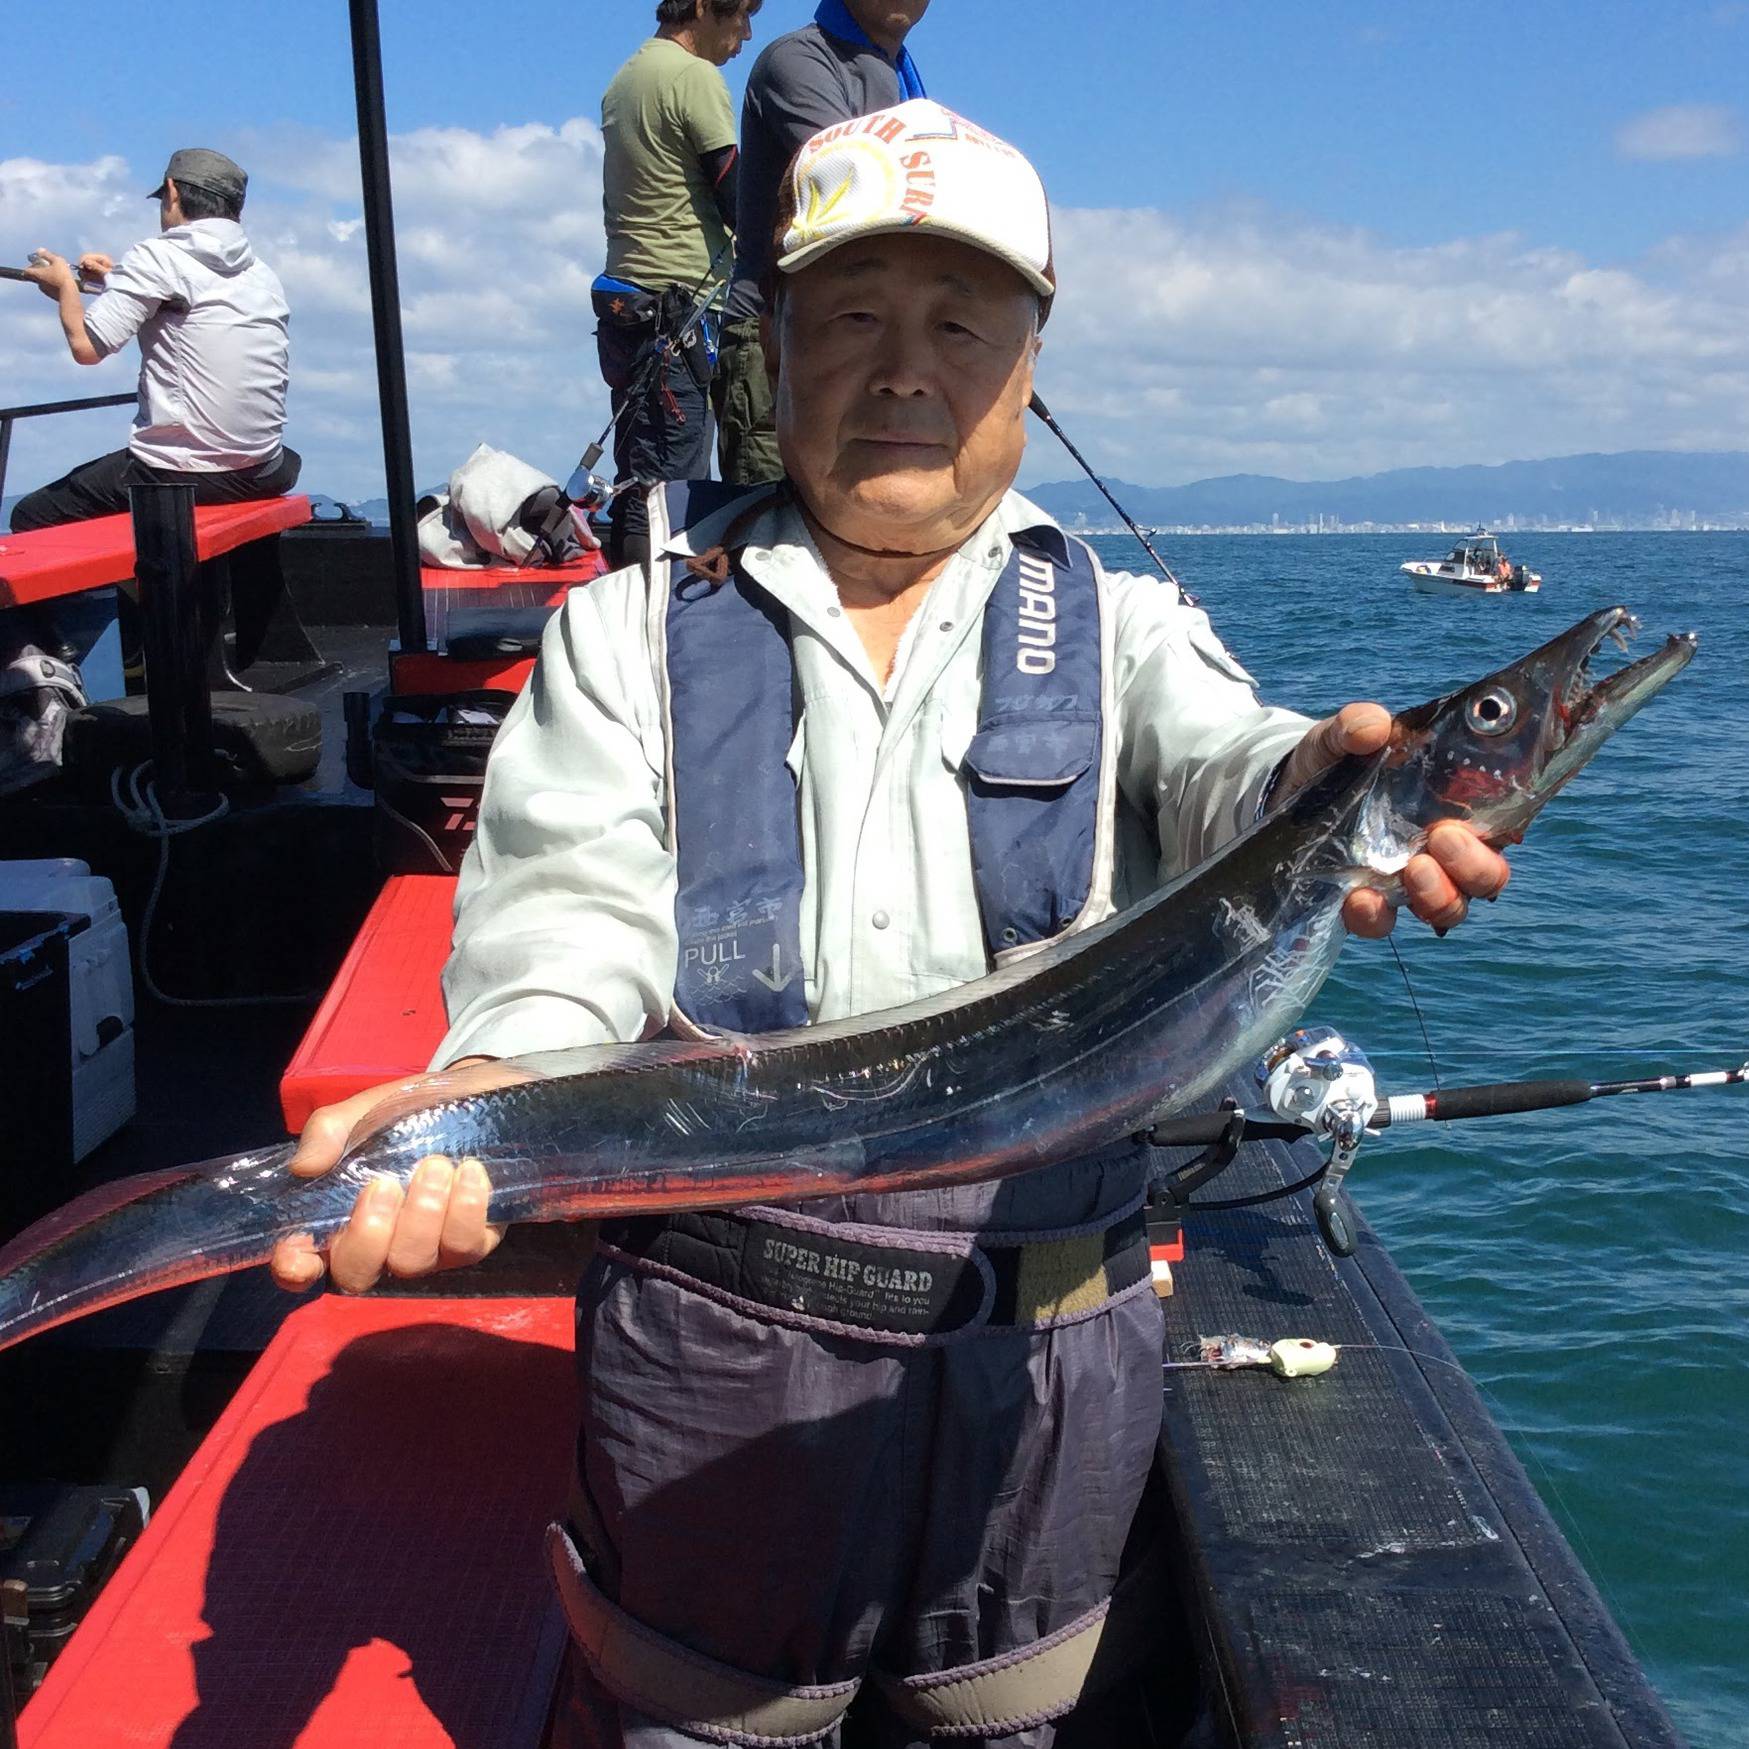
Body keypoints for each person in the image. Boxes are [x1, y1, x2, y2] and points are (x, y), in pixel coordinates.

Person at [272, 101, 1512, 1748]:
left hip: (1046, 1374)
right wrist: (489, 1089)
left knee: (1010, 1714)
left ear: (1029, 356)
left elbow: (1230, 763)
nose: (902, 368)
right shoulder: (631, 632)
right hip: (706, 1359)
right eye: (848, 318)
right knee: (698, 1714)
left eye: (957, 324)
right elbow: (561, 925)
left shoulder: (1125, 625)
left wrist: (1322, 773)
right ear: (771, 349)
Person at [10, 148, 298, 533]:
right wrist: (113, 281)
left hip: (182, 470)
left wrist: (65, 286)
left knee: (32, 515)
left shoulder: (159, 255)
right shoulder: (259, 272)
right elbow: (184, 301)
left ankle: (148, 589)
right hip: (263, 467)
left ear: (172, 191)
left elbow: (87, 347)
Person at [715, 0, 929, 486]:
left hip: (867, 339)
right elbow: (857, 183)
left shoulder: (898, 80)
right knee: (769, 535)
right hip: (775, 340)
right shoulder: (797, 61)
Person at [595, 0, 761, 567]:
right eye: (739, 16)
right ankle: (657, 622)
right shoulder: (694, 76)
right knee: (673, 489)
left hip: (630, 302)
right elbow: (734, 191)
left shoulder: (627, 77)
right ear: (701, 8)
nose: (745, 35)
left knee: (639, 477)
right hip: (680, 305)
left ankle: (624, 613)